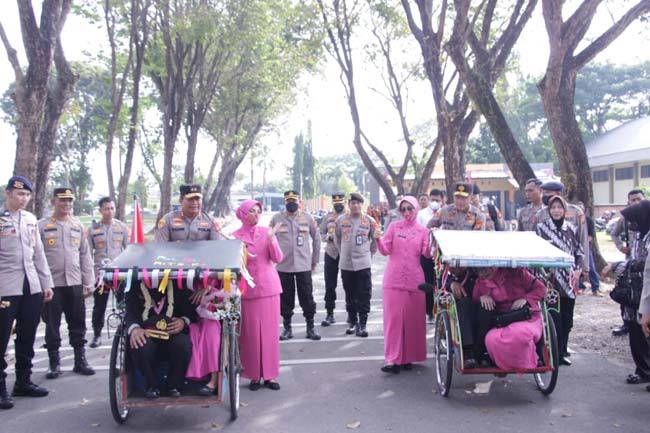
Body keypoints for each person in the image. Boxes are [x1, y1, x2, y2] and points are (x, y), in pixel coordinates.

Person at [0, 176, 54, 410]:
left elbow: (39, 253)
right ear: (8, 193)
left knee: (27, 335)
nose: (23, 199)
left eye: (27, 195)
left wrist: (46, 283)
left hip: (30, 285)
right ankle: (1, 387)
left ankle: (23, 381)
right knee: (1, 339)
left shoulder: (31, 220)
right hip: (5, 286)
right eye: (19, 194)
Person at [39, 187, 95, 379]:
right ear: (53, 202)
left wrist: (88, 281)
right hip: (51, 284)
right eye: (62, 200)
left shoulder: (77, 226)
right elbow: (35, 257)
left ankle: (80, 361)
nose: (66, 204)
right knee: (52, 325)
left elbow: (85, 255)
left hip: (74, 282)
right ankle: (54, 364)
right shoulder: (42, 226)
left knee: (78, 323)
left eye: (70, 201)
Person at [231, 200, 284, 391]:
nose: (256, 214)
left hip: (269, 289)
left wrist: (272, 239)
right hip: (248, 292)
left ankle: (270, 376)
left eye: (258, 211)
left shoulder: (265, 232)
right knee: (250, 335)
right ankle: (254, 375)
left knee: (269, 334)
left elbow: (277, 258)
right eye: (252, 211)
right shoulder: (234, 237)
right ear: (243, 214)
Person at [376, 196, 430, 372]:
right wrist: (377, 239)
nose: (406, 212)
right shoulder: (393, 227)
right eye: (403, 209)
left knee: (413, 320)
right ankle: (392, 359)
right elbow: (385, 250)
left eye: (410, 209)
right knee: (394, 321)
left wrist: (434, 240)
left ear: (416, 209)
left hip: (415, 280)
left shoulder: (423, 231)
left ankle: (408, 358)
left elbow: (427, 254)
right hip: (394, 280)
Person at [601, 200, 650, 386]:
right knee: (636, 332)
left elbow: (644, 264)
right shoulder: (640, 236)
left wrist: (617, 265)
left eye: (633, 220)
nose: (630, 225)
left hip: (645, 292)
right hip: (636, 292)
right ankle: (643, 370)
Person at [536, 196, 584, 366]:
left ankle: (563, 351)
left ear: (564, 210)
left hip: (569, 281)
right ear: (549, 210)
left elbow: (579, 252)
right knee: (552, 318)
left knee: (567, 319)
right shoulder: (541, 228)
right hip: (550, 281)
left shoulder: (571, 228)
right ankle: (550, 353)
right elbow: (536, 252)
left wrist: (579, 270)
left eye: (559, 207)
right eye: (553, 207)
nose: (556, 210)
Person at [472, 267, 547, 369]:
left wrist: (526, 299)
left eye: (487, 268)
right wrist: (483, 297)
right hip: (503, 321)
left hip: (526, 317)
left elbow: (541, 289)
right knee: (491, 339)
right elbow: (475, 298)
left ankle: (532, 358)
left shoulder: (519, 273)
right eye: (479, 270)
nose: (483, 272)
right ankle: (503, 363)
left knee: (520, 334)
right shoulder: (481, 283)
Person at [270, 190, 321, 341]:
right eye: (288, 201)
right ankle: (287, 328)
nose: (291, 203)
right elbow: (269, 239)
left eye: (294, 200)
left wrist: (315, 260)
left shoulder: (308, 218)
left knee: (307, 297)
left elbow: (317, 239)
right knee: (286, 298)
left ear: (300, 202)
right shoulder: (276, 219)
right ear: (285, 202)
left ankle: (310, 327)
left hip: (303, 264)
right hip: (283, 265)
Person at [334, 193, 378, 337]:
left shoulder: (370, 221)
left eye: (358, 203)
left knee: (364, 293)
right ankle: (353, 322)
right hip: (346, 264)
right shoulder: (341, 220)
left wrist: (368, 255)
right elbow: (337, 239)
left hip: (363, 263)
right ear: (349, 205)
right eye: (352, 203)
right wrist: (343, 253)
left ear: (362, 204)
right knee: (350, 293)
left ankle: (363, 323)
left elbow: (375, 241)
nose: (355, 206)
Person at [88, 197, 129, 348]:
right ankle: (97, 334)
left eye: (112, 208)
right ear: (100, 210)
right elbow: (87, 253)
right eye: (106, 209)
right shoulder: (93, 229)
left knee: (124, 304)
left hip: (119, 274)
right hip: (101, 275)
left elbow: (130, 249)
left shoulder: (121, 227)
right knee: (99, 305)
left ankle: (125, 330)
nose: (109, 212)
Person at [610, 189, 645, 336]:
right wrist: (621, 247)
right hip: (630, 259)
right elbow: (614, 233)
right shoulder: (626, 218)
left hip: (644, 261)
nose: (636, 202)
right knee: (627, 290)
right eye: (633, 200)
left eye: (639, 199)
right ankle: (627, 322)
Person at [155, 184, 223, 242]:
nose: (194, 203)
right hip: (175, 257)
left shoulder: (211, 221)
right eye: (190, 199)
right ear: (180, 200)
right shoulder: (167, 220)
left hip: (203, 256)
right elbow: (161, 247)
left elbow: (216, 247)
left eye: (197, 199)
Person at [319, 193, 346, 327]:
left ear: (345, 202)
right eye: (336, 204)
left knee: (349, 285)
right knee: (330, 285)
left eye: (340, 203)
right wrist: (328, 238)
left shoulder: (350, 216)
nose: (338, 205)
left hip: (346, 254)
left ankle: (352, 314)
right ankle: (330, 313)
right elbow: (321, 233)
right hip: (331, 253)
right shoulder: (327, 217)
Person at [576, 201, 603, 297]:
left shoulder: (588, 220)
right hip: (575, 248)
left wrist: (583, 242)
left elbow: (590, 236)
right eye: (577, 207)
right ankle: (579, 287)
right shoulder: (572, 220)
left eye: (581, 207)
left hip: (586, 248)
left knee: (591, 267)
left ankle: (595, 288)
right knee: (576, 268)